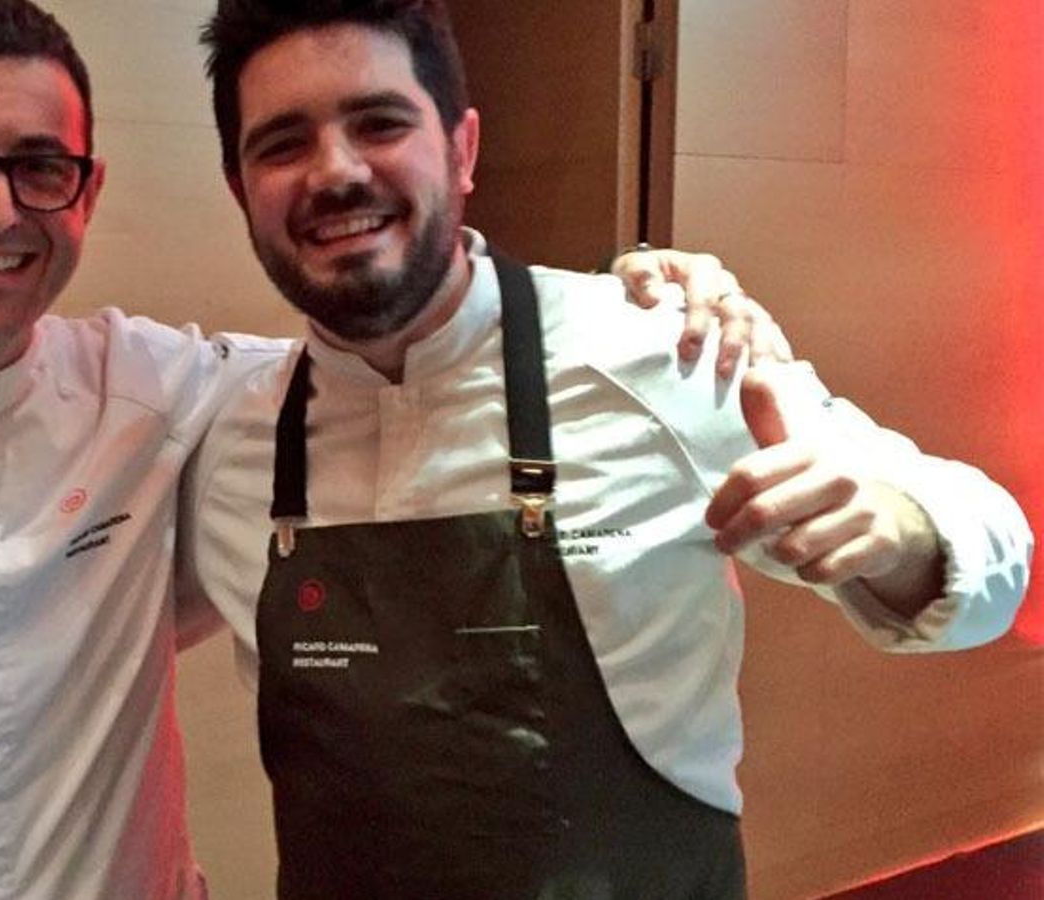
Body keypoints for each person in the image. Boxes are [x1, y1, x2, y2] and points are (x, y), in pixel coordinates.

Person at [0, 1, 779, 897]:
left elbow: (397, 359)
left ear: (88, 190)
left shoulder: (163, 389)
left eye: (40, 169)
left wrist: (625, 293)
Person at [181, 1, 1035, 898]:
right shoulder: (228, 436)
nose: (336, 172)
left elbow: (995, 554)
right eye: (282, 144)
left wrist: (901, 533)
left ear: (463, 149)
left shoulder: (663, 352)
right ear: (241, 189)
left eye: (379, 123)